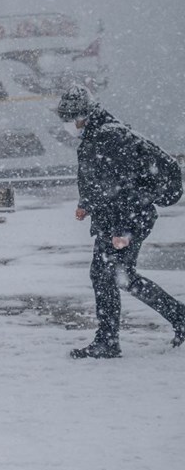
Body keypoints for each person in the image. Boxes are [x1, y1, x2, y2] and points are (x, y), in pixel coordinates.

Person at [56, 84, 185, 358]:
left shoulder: (109, 137)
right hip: (118, 217)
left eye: (72, 119)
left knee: (111, 276)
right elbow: (102, 181)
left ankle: (108, 342)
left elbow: (123, 187)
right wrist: (86, 204)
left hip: (126, 219)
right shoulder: (98, 135)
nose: (69, 125)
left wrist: (121, 230)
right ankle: (177, 319)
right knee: (116, 276)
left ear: (86, 114)